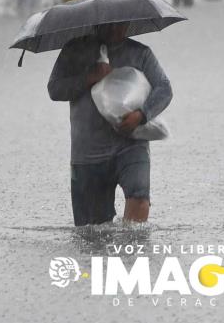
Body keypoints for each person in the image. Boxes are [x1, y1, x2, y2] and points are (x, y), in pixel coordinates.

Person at [47, 22, 172, 226]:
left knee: (139, 198)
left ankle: (132, 251)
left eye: (122, 24)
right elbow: (54, 89)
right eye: (110, 25)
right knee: (91, 230)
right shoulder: (74, 51)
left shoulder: (140, 53)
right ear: (96, 24)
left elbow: (164, 89)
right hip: (88, 153)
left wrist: (141, 115)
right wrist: (89, 77)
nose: (117, 29)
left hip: (131, 145)